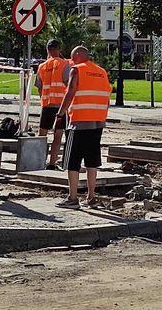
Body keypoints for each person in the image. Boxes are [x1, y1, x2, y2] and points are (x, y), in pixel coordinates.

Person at [54, 46, 112, 209]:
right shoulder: (101, 72)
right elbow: (107, 97)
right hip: (97, 123)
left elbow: (71, 91)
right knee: (91, 161)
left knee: (72, 161)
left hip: (78, 122)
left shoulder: (77, 70)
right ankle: (91, 197)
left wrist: (60, 115)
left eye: (72, 58)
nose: (71, 61)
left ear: (78, 56)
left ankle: (73, 198)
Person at [35, 39, 71, 170]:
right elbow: (68, 83)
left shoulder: (42, 66)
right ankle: (52, 163)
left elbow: (39, 87)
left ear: (47, 50)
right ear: (59, 49)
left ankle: (38, 161)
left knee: (42, 135)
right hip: (60, 107)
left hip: (46, 106)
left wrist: (43, 100)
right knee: (57, 136)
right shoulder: (64, 64)